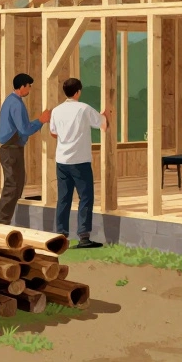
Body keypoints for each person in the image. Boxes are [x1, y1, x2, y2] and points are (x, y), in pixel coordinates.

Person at [48, 77, 111, 248]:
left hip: (62, 160)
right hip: (80, 160)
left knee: (63, 198)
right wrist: (106, 115)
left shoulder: (56, 111)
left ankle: (61, 235)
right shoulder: (84, 109)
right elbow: (103, 124)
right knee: (85, 197)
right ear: (77, 92)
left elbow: (53, 133)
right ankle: (83, 236)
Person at [0, 73, 51, 226]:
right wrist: (41, 120)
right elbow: (25, 129)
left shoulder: (12, 101)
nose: (30, 89)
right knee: (12, 185)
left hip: (13, 148)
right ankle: (2, 222)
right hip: (11, 149)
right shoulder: (16, 104)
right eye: (28, 86)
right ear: (22, 86)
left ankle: (4, 220)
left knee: (18, 183)